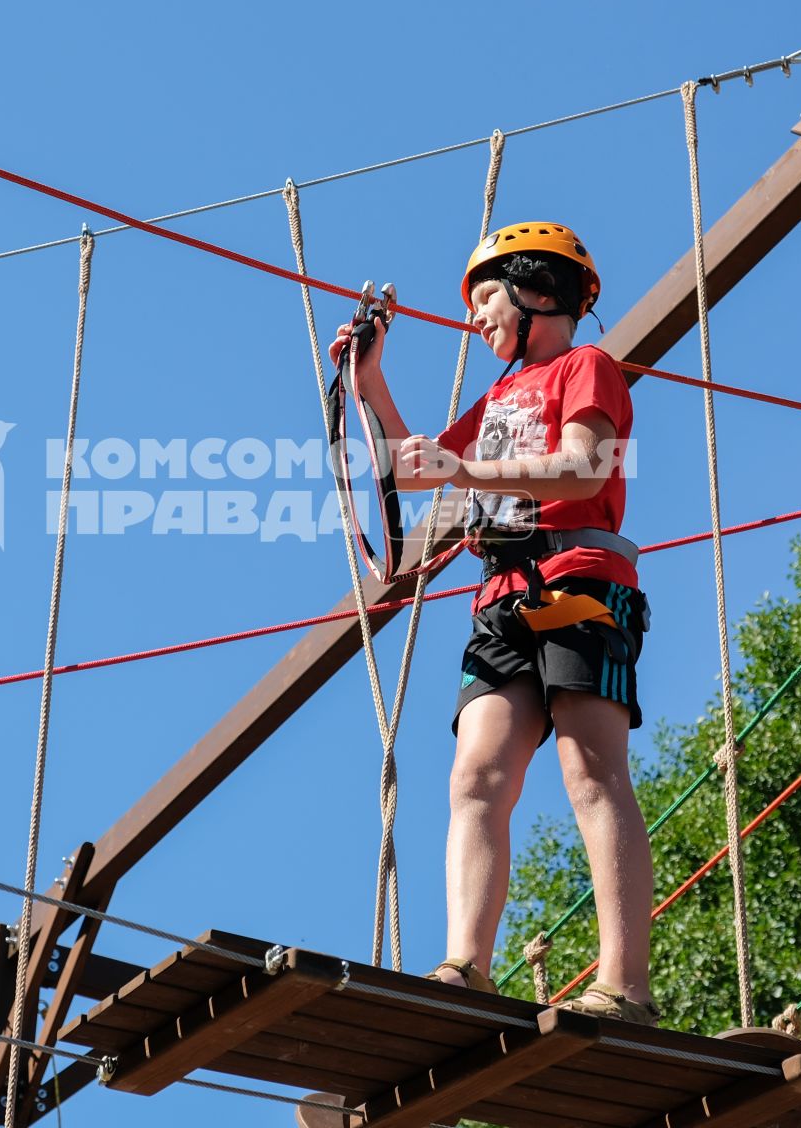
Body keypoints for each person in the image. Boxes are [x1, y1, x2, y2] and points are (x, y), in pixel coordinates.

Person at [330, 222, 657, 1024]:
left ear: (536, 293)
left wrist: (459, 467)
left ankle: (625, 986)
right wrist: (368, 382)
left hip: (579, 581)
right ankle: (465, 966)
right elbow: (417, 468)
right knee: (475, 776)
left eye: (486, 300)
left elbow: (582, 472)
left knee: (591, 768)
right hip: (502, 597)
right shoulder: (499, 399)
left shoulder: (588, 367)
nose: (477, 320)